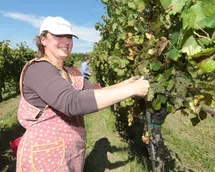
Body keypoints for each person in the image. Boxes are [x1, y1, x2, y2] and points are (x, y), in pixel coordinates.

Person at [16, 16, 150, 172]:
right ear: (43, 39)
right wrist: (131, 90)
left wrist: (126, 83)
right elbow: (71, 102)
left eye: (69, 37)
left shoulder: (71, 73)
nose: (66, 41)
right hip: (44, 157)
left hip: (70, 154)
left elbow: (95, 92)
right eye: (59, 35)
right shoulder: (39, 70)